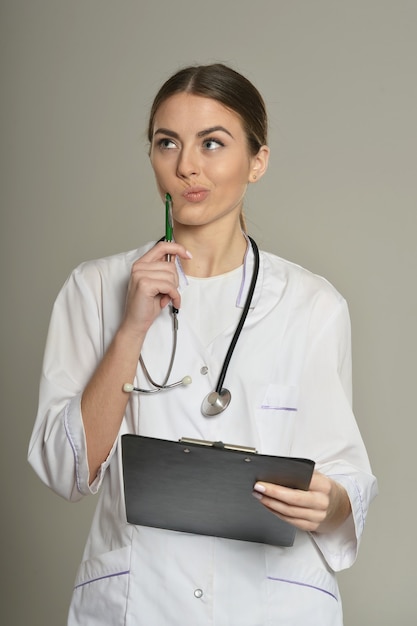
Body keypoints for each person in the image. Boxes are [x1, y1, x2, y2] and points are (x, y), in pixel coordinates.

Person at [28, 63, 377, 625]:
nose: (186, 165)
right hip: (141, 600)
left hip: (274, 601)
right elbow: (66, 472)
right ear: (151, 156)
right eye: (167, 143)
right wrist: (131, 328)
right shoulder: (94, 289)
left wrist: (330, 501)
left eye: (212, 143)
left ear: (256, 162)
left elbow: (344, 476)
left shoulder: (314, 305)